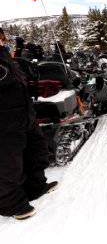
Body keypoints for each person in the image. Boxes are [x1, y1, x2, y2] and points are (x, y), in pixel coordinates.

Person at [0, 27, 58, 220]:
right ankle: (10, 203)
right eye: (1, 40)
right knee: (9, 162)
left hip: (24, 114)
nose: (3, 42)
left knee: (37, 149)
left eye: (3, 39)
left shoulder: (8, 58)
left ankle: (36, 186)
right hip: (5, 120)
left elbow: (17, 80)